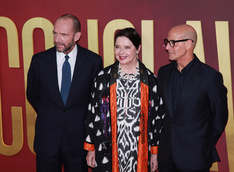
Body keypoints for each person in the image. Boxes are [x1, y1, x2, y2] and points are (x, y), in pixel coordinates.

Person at [26, 14, 103, 172]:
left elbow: (95, 102)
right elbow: (32, 94)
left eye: (63, 35)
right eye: (55, 33)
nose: (57, 39)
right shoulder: (39, 61)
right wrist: (51, 114)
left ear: (77, 36)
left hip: (78, 140)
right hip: (47, 140)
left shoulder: (93, 62)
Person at [84, 27, 166, 172]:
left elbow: (157, 120)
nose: (121, 53)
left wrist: (154, 153)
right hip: (107, 149)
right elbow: (92, 114)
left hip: (139, 149)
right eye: (117, 47)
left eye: (127, 47)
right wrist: (91, 148)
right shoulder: (103, 78)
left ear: (138, 48)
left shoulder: (150, 80)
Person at [157, 24, 228, 172]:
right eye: (167, 42)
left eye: (172, 43)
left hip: (195, 157)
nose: (167, 48)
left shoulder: (210, 77)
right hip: (166, 156)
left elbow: (219, 117)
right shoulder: (163, 73)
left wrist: (202, 142)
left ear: (189, 43)